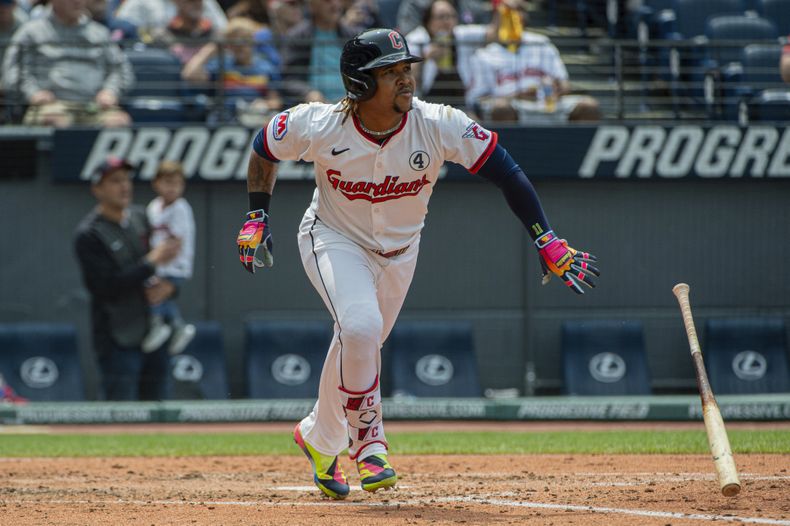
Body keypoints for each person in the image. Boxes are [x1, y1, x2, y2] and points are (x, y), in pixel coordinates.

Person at [235, 28, 599, 499]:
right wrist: (256, 216)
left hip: (402, 252)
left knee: (356, 343)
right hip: (333, 238)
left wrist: (545, 238)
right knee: (361, 328)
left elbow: (506, 170)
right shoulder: (319, 124)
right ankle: (370, 445)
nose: (406, 79)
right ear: (361, 84)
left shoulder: (439, 122)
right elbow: (264, 147)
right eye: (392, 72)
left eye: (407, 69)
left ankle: (320, 437)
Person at [74, 157, 181, 400]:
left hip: (156, 332)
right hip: (118, 337)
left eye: (127, 180)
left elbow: (168, 266)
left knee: (159, 411)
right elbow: (104, 288)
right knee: (120, 416)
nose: (124, 187)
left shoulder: (141, 217)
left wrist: (170, 288)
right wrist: (151, 262)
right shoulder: (90, 233)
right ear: (97, 189)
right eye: (115, 181)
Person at [1, 0, 134, 128]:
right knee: (55, 120)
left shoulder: (100, 33)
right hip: (50, 105)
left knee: (118, 121)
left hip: (94, 105)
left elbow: (120, 69)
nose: (78, 1)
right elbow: (13, 70)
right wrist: (33, 93)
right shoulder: (31, 32)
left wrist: (110, 91)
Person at [465, 0, 600, 123]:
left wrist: (557, 90)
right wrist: (515, 96)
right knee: (502, 109)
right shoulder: (484, 54)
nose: (517, 15)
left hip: (548, 105)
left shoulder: (542, 43)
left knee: (588, 107)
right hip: (514, 107)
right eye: (511, 11)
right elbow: (478, 101)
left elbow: (564, 84)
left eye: (521, 10)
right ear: (497, 16)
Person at [182, 16, 282, 125]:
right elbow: (189, 74)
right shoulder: (221, 64)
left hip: (255, 122)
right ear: (228, 45)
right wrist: (214, 46)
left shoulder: (266, 68)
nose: (240, 45)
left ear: (253, 41)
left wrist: (265, 104)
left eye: (244, 39)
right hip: (225, 123)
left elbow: (275, 101)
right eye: (234, 40)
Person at [141, 160, 197, 356]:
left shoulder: (181, 208)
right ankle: (178, 327)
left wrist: (153, 264)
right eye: (168, 182)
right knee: (164, 299)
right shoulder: (153, 207)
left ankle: (159, 325)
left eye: (177, 183)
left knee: (154, 293)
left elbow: (176, 244)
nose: (173, 187)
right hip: (159, 263)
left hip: (175, 265)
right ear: (156, 183)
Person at [405, 0, 486, 108]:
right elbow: (408, 78)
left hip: (461, 103)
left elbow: (493, 33)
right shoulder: (415, 39)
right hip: (426, 105)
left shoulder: (461, 34)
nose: (447, 22)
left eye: (451, 16)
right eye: (441, 17)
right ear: (428, 21)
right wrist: (425, 58)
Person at [278, 0, 360, 104]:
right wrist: (308, 93)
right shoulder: (297, 37)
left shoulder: (354, 36)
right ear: (312, 5)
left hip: (351, 106)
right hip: (312, 110)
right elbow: (288, 79)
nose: (334, 4)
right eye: (327, 1)